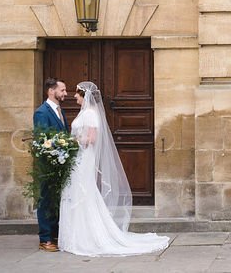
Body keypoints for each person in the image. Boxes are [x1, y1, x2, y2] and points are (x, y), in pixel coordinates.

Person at [58, 81, 169, 256]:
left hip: (84, 158)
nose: (74, 96)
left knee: (81, 192)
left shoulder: (89, 114)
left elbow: (92, 139)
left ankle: (85, 236)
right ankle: (80, 234)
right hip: (80, 158)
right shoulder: (88, 113)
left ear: (84, 96)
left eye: (77, 94)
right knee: (82, 193)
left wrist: (72, 141)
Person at [32, 77, 67, 252]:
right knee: (45, 200)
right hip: (47, 165)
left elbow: (63, 135)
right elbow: (42, 140)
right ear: (51, 91)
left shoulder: (60, 110)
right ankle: (45, 238)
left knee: (56, 200)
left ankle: (54, 235)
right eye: (62, 90)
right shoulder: (42, 112)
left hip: (59, 164)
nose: (65, 93)